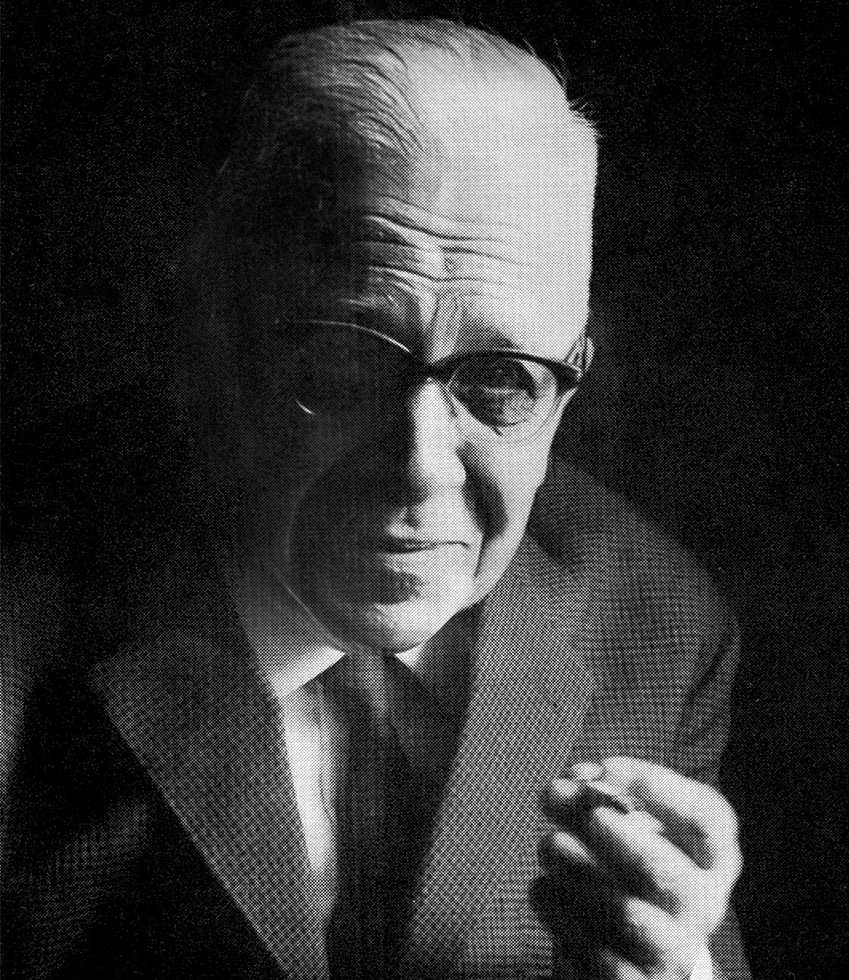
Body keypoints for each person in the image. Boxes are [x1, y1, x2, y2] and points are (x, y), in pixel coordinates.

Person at [1, 18, 750, 980]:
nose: (422, 469)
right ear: (211, 341)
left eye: (501, 380)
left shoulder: (655, 625)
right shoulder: (25, 620)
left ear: (570, 380)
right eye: (348, 363)